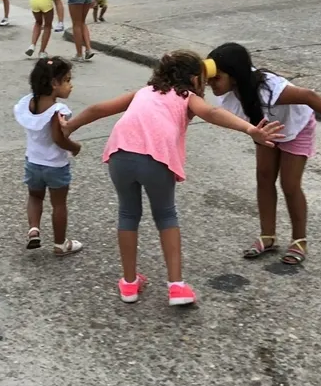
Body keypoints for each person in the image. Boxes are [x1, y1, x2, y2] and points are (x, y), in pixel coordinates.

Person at [60, 50, 285, 306]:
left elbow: (99, 108)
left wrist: (70, 127)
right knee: (166, 215)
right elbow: (211, 113)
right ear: (192, 79)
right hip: (155, 157)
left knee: (128, 214)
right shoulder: (186, 96)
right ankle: (176, 286)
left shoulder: (143, 92)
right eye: (202, 79)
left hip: (120, 153)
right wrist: (250, 130)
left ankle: (129, 283)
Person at [205, 43, 321, 266]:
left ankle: (299, 240)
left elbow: (309, 96)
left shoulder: (268, 88)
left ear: (235, 76)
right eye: (209, 79)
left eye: (216, 78)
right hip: (266, 129)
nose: (211, 84)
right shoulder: (229, 94)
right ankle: (267, 236)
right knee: (264, 177)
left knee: (290, 184)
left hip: (297, 127)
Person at [13, 57, 83, 256]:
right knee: (59, 204)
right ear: (54, 84)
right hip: (55, 165)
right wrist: (75, 147)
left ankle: (34, 229)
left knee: (35, 196)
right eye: (67, 80)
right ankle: (60, 244)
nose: (71, 85)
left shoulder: (28, 103)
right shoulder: (57, 111)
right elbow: (58, 139)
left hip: (33, 162)